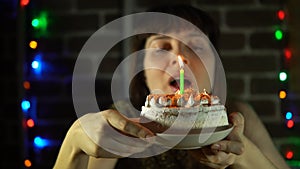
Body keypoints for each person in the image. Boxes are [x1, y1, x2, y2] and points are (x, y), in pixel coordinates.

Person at [53, 4, 290, 169]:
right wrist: (75, 142)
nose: (180, 58)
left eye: (195, 46)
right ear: (142, 70)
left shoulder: (237, 117)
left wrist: (243, 154)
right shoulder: (122, 121)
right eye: (162, 47)